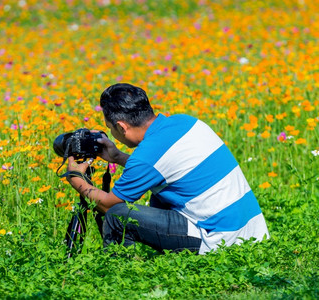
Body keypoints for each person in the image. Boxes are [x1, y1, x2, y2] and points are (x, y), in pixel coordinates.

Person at [66, 83, 270, 254]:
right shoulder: (185, 122)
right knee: (159, 191)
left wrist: (76, 179)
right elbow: (164, 167)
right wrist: (117, 157)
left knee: (118, 215)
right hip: (252, 232)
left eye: (111, 129)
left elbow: (109, 206)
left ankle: (122, 275)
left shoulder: (146, 157)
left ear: (122, 126)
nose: (112, 133)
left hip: (222, 240)